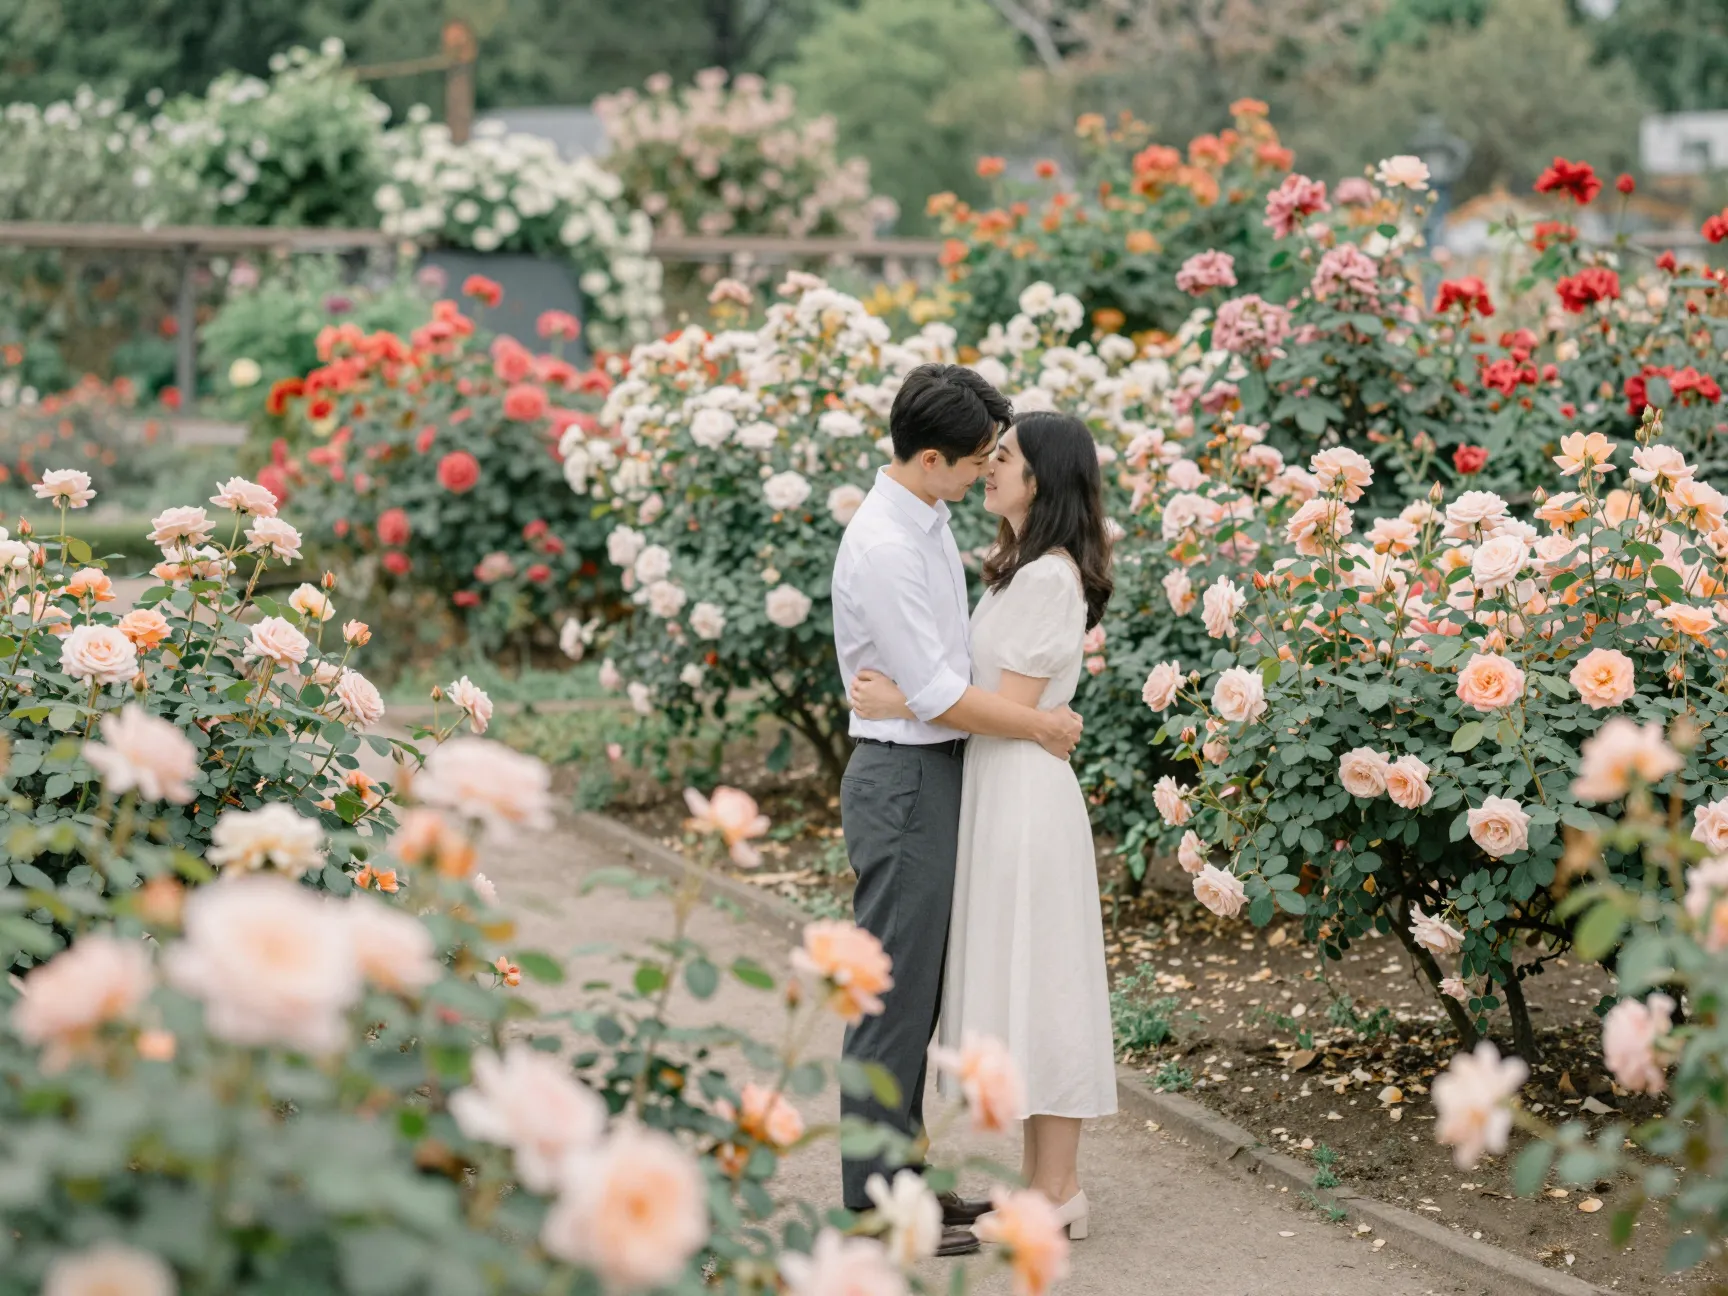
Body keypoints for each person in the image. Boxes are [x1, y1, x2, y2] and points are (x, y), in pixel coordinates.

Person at [830, 366, 1085, 1255]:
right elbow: (938, 690)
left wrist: (922, 702)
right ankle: (876, 1202)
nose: (989, 472)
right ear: (930, 457)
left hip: (937, 769)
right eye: (979, 460)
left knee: (919, 996)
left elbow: (941, 679)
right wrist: (1042, 723)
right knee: (892, 996)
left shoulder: (929, 519)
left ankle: (907, 1180)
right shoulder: (889, 547)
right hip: (902, 780)